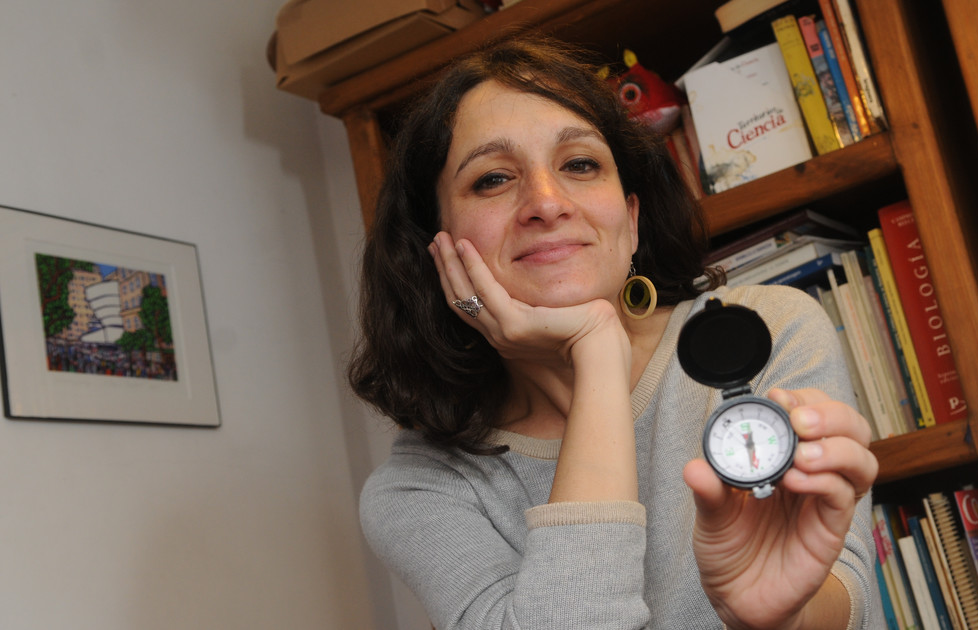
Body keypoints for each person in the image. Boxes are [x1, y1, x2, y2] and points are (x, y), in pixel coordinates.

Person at [349, 34, 881, 630]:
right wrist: (597, 347)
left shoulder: (766, 332)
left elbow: (843, 592)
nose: (547, 202)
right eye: (493, 178)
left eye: (580, 164)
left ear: (631, 220)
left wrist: (785, 618)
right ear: (433, 244)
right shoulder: (419, 489)